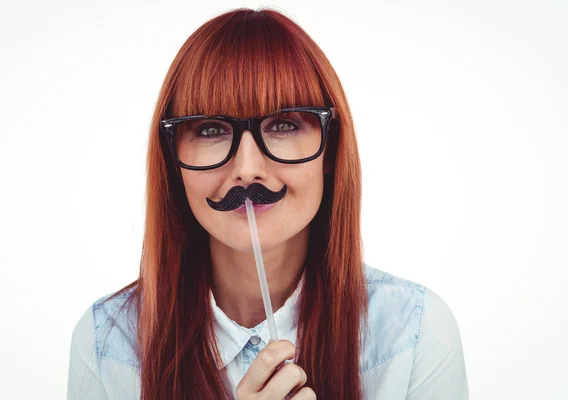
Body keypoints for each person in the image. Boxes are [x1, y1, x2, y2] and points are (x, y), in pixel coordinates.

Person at [67, 7, 469, 400]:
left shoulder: (412, 333)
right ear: (173, 161)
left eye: (282, 125)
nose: (246, 169)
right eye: (210, 129)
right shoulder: (109, 344)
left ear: (329, 150)